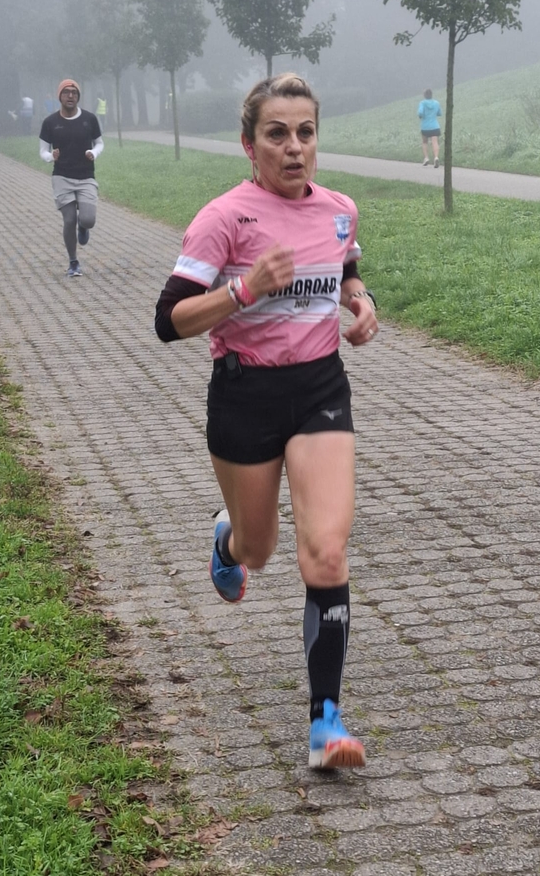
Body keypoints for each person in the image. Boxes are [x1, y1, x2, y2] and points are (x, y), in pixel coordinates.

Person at [154, 73, 379, 771]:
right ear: (249, 144)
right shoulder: (224, 217)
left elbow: (343, 266)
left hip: (319, 391)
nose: (294, 147)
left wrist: (360, 300)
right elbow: (170, 321)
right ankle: (229, 543)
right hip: (244, 393)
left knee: (328, 554)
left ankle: (325, 722)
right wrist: (244, 289)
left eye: (305, 133)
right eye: (277, 134)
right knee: (261, 551)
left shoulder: (339, 209)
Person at [39, 79, 103, 277]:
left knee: (88, 219)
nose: (70, 96)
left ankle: (83, 228)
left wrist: (94, 152)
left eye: (74, 92)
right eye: (66, 92)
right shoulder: (50, 122)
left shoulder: (89, 119)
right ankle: (73, 262)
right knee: (69, 219)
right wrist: (51, 157)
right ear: (60, 96)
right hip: (62, 176)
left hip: (85, 176)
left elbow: (99, 143)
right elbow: (43, 150)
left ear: (78, 96)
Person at [418, 88, 442, 167]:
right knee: (435, 142)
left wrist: (421, 116)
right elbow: (439, 113)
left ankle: (426, 158)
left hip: (425, 126)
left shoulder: (422, 103)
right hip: (435, 126)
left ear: (424, 95)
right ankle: (436, 157)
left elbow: (420, 113)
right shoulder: (436, 103)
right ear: (431, 95)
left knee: (425, 142)